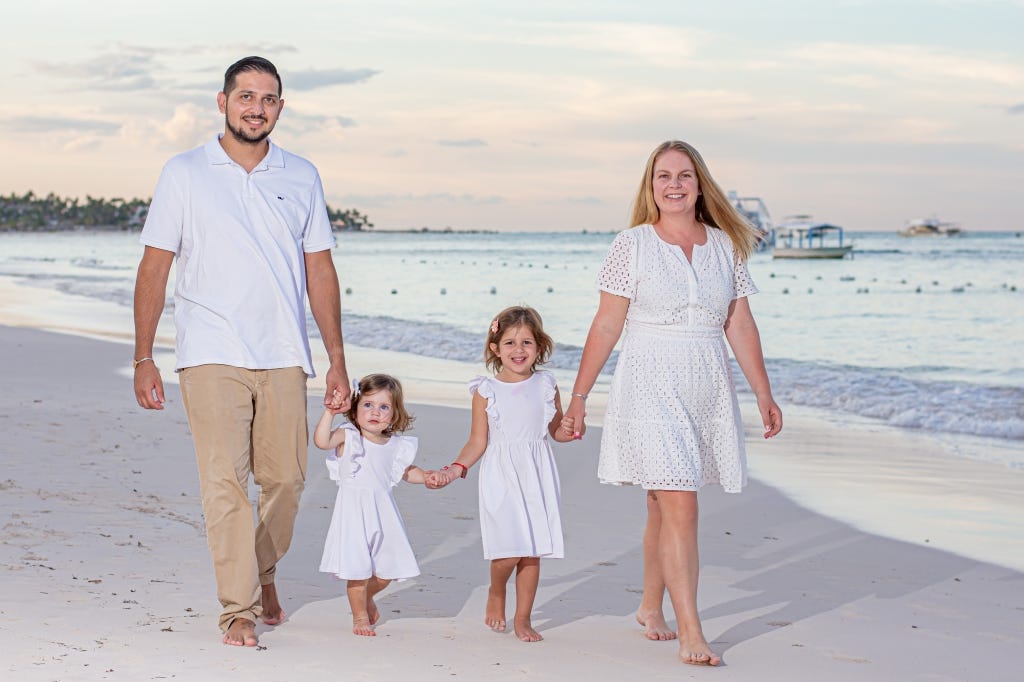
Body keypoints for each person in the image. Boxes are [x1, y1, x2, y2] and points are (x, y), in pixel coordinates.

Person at [132, 56, 351, 647]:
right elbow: (156, 265)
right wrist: (144, 355)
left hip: (284, 350)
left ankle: (262, 570)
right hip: (208, 350)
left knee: (287, 481)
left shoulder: (301, 175)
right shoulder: (184, 172)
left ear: (281, 106)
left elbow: (320, 268)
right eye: (246, 96)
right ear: (223, 101)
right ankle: (238, 610)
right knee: (225, 484)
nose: (257, 107)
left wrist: (336, 355)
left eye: (269, 98)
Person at [563, 140, 782, 666]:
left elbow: (739, 322)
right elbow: (608, 322)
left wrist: (764, 391)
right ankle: (692, 630)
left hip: (706, 382)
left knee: (664, 504)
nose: (675, 184)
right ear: (651, 186)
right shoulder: (631, 244)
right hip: (648, 380)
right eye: (663, 176)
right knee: (681, 500)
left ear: (700, 183)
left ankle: (648, 606)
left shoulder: (726, 245)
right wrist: (578, 397)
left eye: (684, 175)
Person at [431, 306, 576, 642]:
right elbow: (477, 440)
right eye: (509, 342)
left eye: (527, 342)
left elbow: (557, 431)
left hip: (537, 473)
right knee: (509, 550)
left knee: (531, 550)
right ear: (495, 348)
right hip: (501, 474)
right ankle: (497, 591)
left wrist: (571, 429)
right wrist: (456, 468)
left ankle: (523, 618)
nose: (519, 350)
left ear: (539, 347)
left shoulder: (547, 385)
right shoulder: (486, 391)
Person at [316, 374, 434, 636]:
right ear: (355, 408)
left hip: (383, 513)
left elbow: (406, 472)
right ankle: (360, 617)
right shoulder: (349, 436)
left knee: (387, 570)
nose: (375, 412)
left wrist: (427, 477)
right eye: (368, 405)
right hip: (352, 513)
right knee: (357, 570)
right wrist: (329, 413)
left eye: (384, 407)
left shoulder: (394, 445)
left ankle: (367, 598)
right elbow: (322, 441)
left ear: (393, 415)